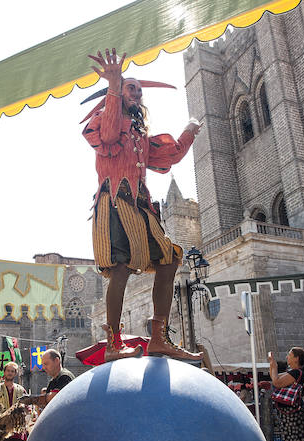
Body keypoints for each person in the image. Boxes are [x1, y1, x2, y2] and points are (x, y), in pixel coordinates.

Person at [83, 48, 202, 363]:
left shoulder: (139, 134)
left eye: (138, 88)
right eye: (129, 86)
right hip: (114, 200)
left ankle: (159, 338)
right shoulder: (107, 120)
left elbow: (170, 156)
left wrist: (190, 131)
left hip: (139, 206)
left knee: (169, 258)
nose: (135, 91)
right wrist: (112, 84)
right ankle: (113, 342)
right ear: (120, 91)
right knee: (120, 267)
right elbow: (107, 134)